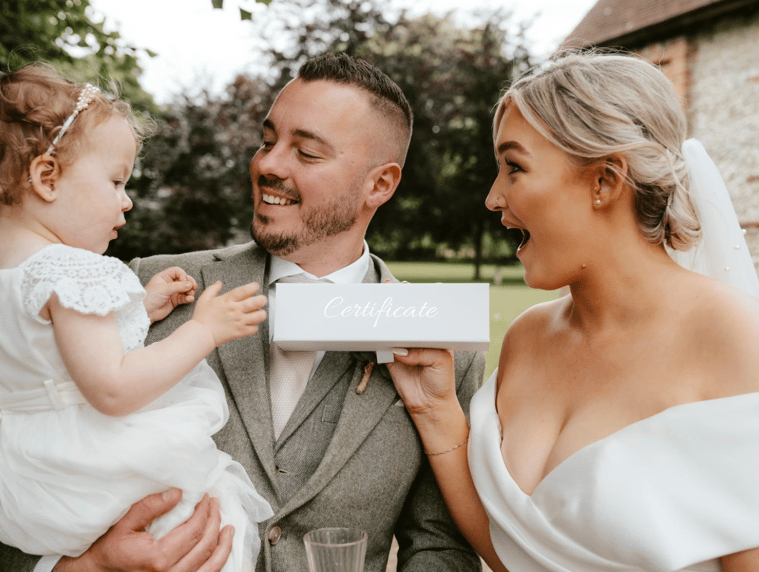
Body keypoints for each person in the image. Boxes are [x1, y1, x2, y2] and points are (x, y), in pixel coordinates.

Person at [0, 53, 484, 572]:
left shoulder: (440, 344)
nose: (268, 165)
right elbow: (24, 461)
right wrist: (85, 568)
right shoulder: (138, 289)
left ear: (380, 185)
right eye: (267, 140)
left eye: (306, 152)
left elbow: (440, 549)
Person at [388, 50, 759, 572]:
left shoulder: (746, 341)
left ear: (604, 181)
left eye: (515, 168)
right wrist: (434, 409)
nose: (493, 198)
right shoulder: (528, 336)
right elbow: (518, 553)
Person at [0, 64, 274, 572]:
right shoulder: (71, 268)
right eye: (116, 181)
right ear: (46, 178)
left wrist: (139, 308)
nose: (126, 202)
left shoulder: (13, 274)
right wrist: (203, 330)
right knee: (214, 513)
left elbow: (52, 352)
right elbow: (113, 388)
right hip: (90, 468)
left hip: (25, 479)